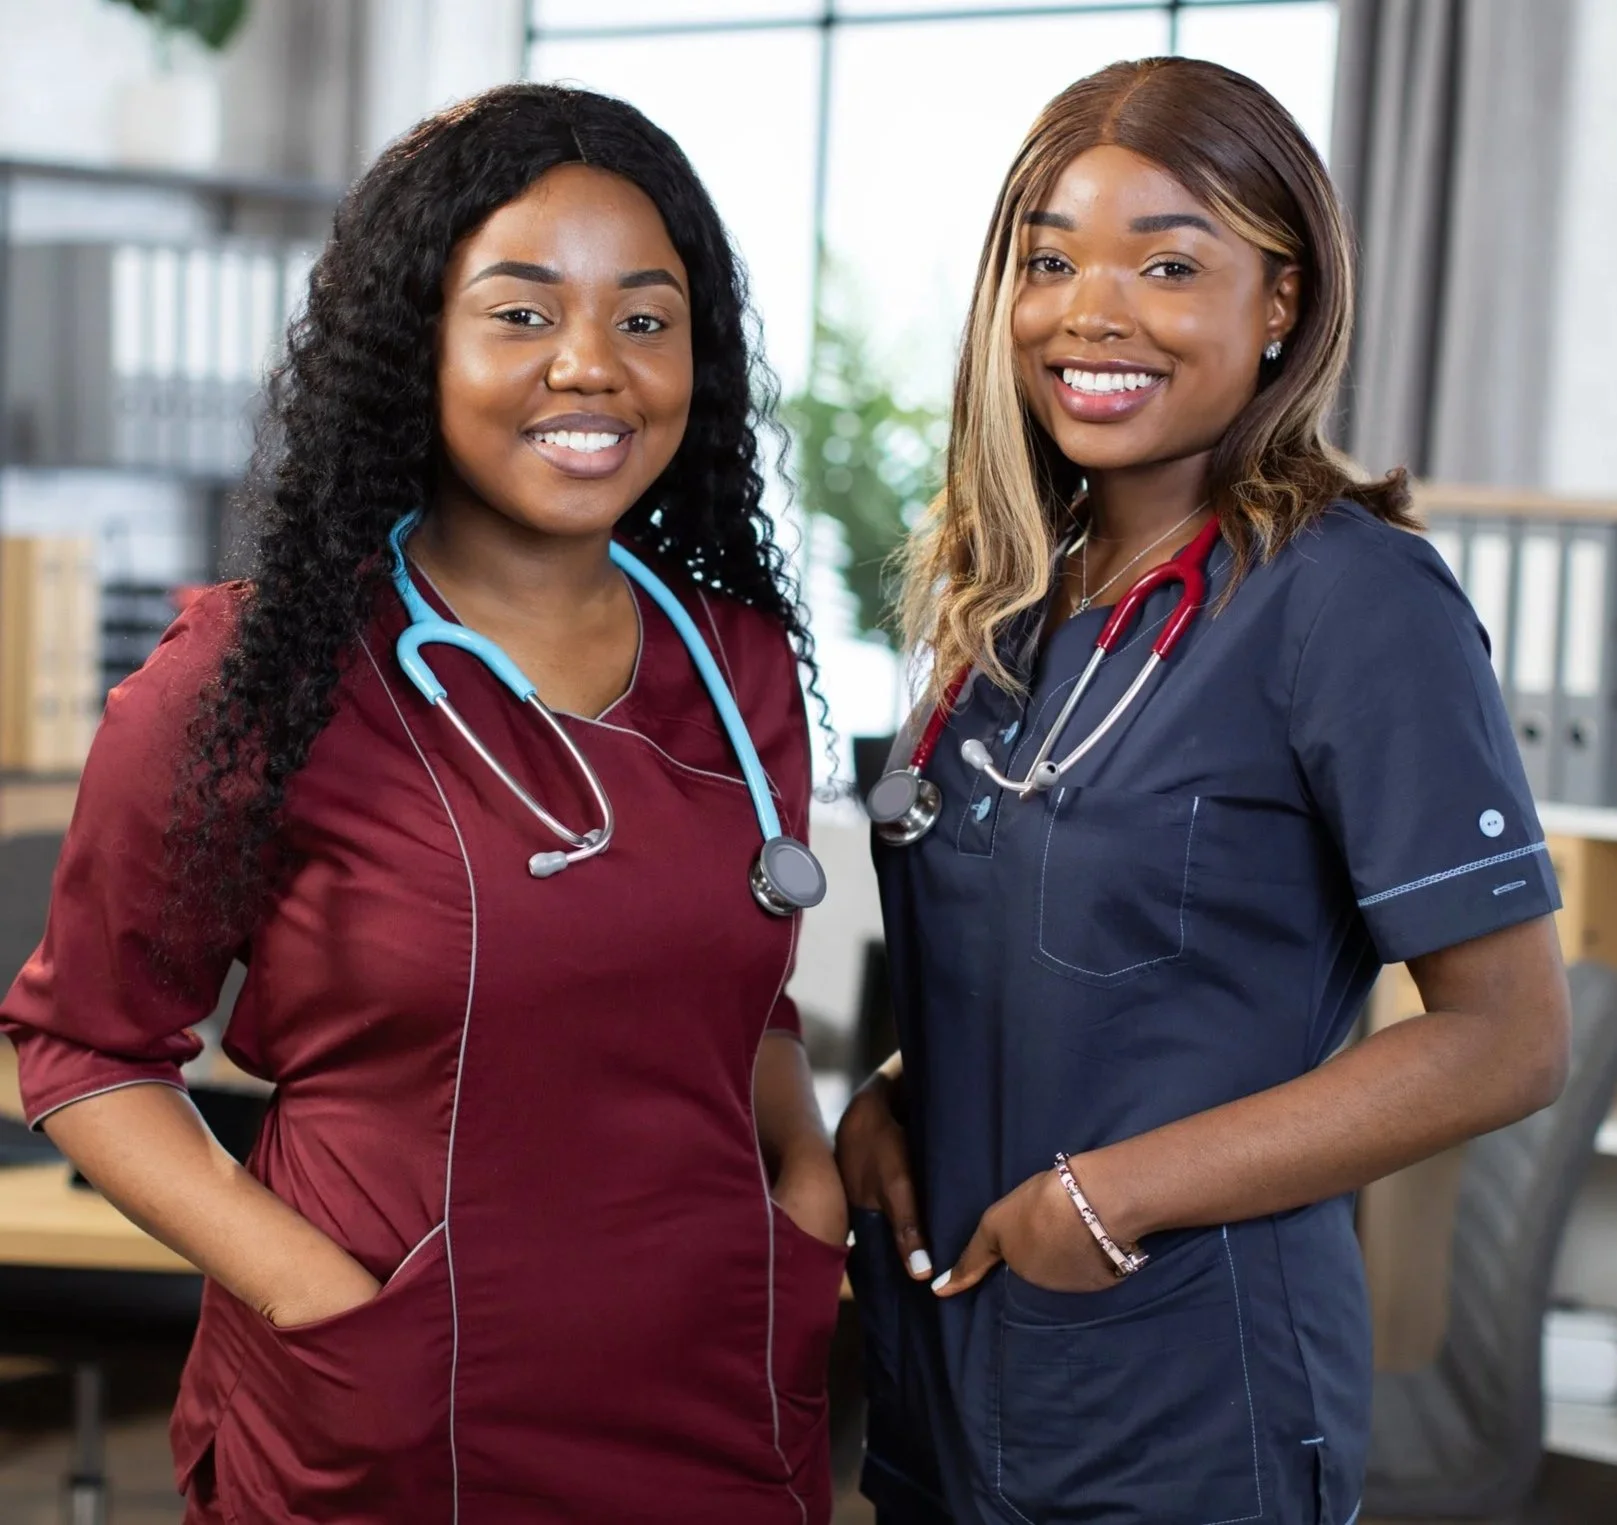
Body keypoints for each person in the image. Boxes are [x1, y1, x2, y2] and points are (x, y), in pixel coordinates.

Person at [0, 84, 848, 1524]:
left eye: (646, 319)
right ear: (418, 347)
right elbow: (89, 1052)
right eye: (521, 314)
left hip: (713, 1384)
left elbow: (736, 989)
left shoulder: (743, 665)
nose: (594, 366)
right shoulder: (254, 674)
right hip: (391, 1405)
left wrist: (807, 1187)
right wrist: (316, 1299)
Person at [836, 57, 1571, 1525]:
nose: (1091, 312)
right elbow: (1061, 955)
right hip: (944, 1375)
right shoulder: (1010, 602)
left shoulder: (1351, 601)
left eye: (1170, 263)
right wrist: (890, 1100)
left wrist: (1113, 1197)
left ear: (1280, 302)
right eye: (1049, 261)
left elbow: (1508, 1040)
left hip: (1183, 1395)